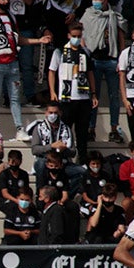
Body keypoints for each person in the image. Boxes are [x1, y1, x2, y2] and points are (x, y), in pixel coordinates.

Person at [0, 0, 52, 141]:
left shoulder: (11, 16)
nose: (6, 2)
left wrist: (39, 41)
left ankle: (20, 129)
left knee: (15, 98)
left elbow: (18, 39)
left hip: (12, 63)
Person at [80, 0, 126, 143]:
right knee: (94, 95)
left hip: (111, 59)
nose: (95, 2)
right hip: (94, 60)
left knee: (114, 96)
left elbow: (121, 36)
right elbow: (82, 35)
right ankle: (91, 128)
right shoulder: (88, 14)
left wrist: (121, 57)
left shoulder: (113, 15)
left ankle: (114, 129)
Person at [48, 22, 98, 163]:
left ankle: (81, 161)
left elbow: (90, 74)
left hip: (83, 98)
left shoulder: (85, 52)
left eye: (79, 36)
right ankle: (62, 160)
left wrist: (93, 94)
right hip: (66, 98)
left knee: (82, 133)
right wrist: (52, 91)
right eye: (74, 36)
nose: (76, 38)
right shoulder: (59, 51)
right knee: (64, 131)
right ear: (68, 35)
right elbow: (52, 71)